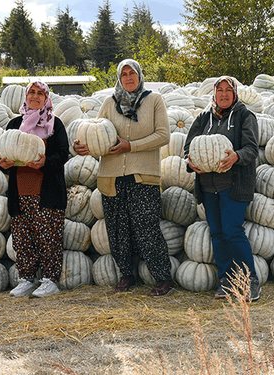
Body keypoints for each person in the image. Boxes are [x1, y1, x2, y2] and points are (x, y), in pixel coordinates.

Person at [74, 59, 175, 296]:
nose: (129, 78)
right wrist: (84, 147)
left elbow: (163, 136)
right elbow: (97, 134)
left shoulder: (154, 100)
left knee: (147, 228)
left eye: (133, 73)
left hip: (143, 176)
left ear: (140, 75)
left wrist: (131, 146)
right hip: (111, 176)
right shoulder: (109, 104)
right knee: (118, 230)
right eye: (124, 74)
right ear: (119, 79)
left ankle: (162, 278)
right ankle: (126, 275)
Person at [183, 76, 261, 301]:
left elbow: (252, 148)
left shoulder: (245, 116)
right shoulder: (203, 118)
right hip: (208, 187)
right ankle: (226, 281)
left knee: (233, 232)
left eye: (228, 90)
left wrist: (237, 156)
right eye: (220, 90)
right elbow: (188, 147)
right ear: (214, 93)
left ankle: (250, 281)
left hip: (233, 186)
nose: (224, 94)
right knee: (217, 234)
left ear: (235, 93)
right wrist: (190, 162)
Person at [0, 81, 69, 298]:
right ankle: (26, 279)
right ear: (26, 96)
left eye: (40, 93)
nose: (35, 97)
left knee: (48, 238)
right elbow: (1, 154)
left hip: (46, 193)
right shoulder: (14, 124)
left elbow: (63, 154)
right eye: (31, 92)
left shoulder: (54, 124)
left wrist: (45, 163)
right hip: (20, 192)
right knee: (23, 238)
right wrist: (1, 164)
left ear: (46, 98)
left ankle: (50, 280)